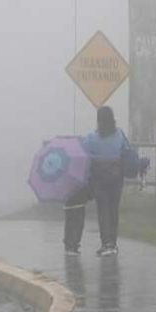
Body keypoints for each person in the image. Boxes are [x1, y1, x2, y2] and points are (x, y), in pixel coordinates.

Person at [63, 106, 129, 257]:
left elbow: (81, 152)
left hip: (99, 180)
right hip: (116, 180)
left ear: (99, 120)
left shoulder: (92, 138)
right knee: (113, 211)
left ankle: (106, 244)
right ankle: (112, 243)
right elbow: (125, 151)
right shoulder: (119, 135)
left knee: (103, 211)